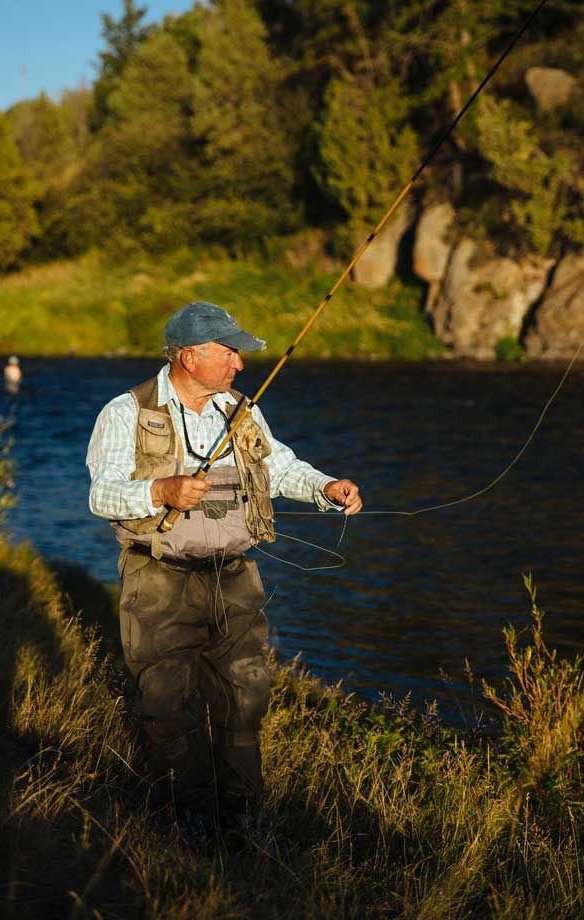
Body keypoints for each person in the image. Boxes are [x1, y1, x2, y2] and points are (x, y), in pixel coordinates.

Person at [86, 301, 362, 836]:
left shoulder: (242, 411)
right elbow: (102, 493)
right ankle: (182, 819)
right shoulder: (125, 412)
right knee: (168, 701)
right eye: (229, 352)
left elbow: (280, 467)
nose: (239, 364)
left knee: (246, 695)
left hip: (234, 577)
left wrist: (326, 488)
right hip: (158, 576)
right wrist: (160, 491)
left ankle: (240, 819)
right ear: (190, 356)